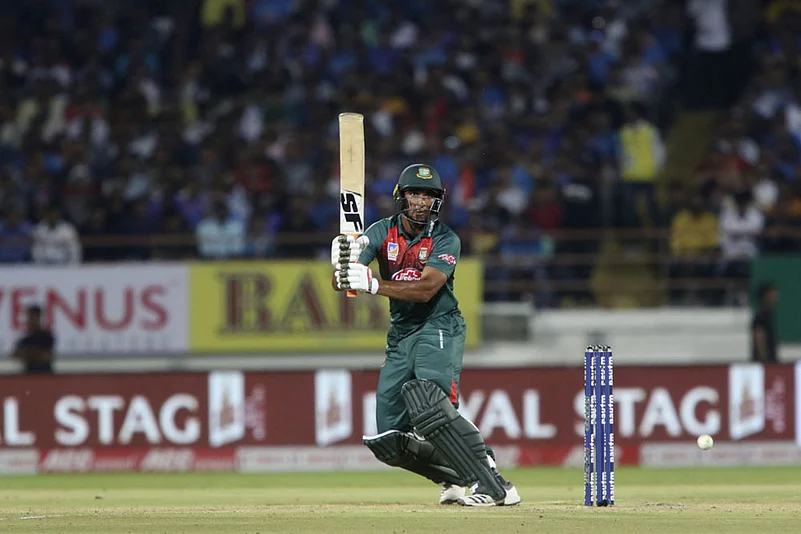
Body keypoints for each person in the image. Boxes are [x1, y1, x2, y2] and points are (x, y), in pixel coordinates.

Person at [330, 164, 521, 507]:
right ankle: (453, 477)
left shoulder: (446, 238)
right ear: (401, 197)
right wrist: (343, 262)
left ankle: (495, 483)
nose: (420, 202)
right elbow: (342, 282)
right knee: (389, 438)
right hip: (400, 333)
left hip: (438, 324)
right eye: (414, 194)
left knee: (431, 406)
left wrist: (372, 284)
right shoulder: (380, 231)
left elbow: (426, 289)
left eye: (428, 196)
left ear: (438, 201)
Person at [11, 305, 55, 374]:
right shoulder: (25, 339)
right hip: (30, 375)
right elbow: (15, 355)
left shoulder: (47, 336)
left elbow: (45, 356)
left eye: (33, 317)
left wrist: (27, 353)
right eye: (29, 318)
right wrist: (34, 353)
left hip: (45, 375)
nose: (30, 321)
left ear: (39, 318)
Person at [751, 282, 778, 363]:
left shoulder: (769, 316)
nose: (775, 297)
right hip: (765, 364)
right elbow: (759, 340)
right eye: (772, 294)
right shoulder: (760, 318)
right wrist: (765, 362)